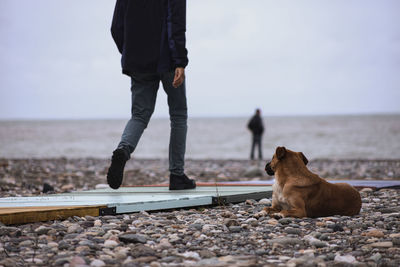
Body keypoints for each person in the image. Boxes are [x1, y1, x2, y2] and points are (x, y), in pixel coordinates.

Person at [107, 0, 196, 191]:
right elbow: (176, 24)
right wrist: (180, 61)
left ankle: (123, 149)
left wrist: (130, 52)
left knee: (139, 115)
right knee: (178, 115)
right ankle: (177, 175)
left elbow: (116, 28)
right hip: (168, 60)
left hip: (137, 61)